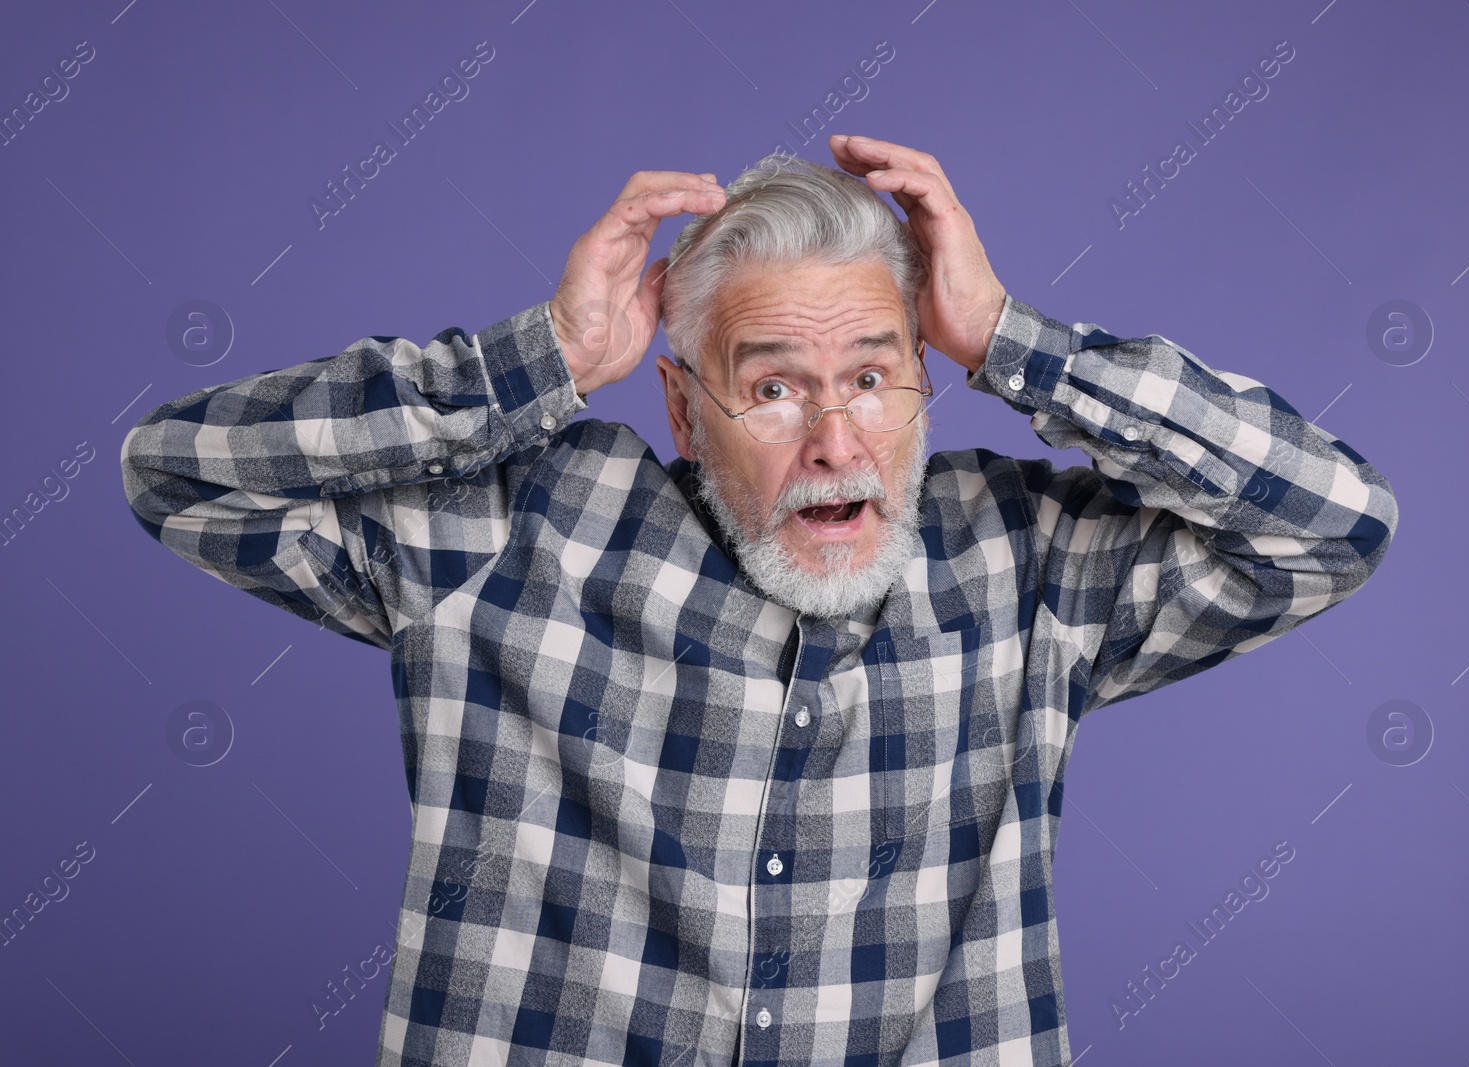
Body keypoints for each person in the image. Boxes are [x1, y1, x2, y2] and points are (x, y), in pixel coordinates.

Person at [121, 134, 1398, 1066]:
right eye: (776, 387)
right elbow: (178, 473)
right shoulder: (509, 532)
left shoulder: (1030, 562)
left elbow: (1332, 520)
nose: (837, 442)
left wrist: (1013, 336)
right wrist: (539, 363)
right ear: (682, 406)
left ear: (925, 385)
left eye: (875, 377)